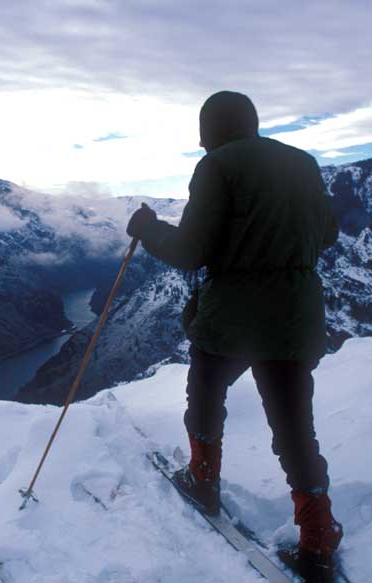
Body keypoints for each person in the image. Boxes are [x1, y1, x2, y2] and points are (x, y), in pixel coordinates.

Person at [126, 91, 342, 582]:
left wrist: (147, 228)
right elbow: (327, 233)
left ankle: (203, 480)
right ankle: (318, 536)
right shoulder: (303, 163)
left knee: (205, 394)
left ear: (210, 131)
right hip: (294, 315)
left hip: (232, 318)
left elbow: (190, 250)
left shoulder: (217, 167)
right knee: (294, 427)